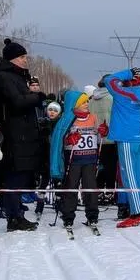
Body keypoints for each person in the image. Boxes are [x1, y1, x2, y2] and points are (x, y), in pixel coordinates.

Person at [0, 39, 43, 231]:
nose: (25, 60)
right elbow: (17, 102)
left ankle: (16, 211)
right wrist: (36, 97)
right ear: (12, 59)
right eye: (22, 57)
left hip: (23, 134)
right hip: (14, 135)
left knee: (20, 176)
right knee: (13, 176)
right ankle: (13, 216)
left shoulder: (18, 77)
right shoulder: (4, 78)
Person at [50, 89, 107, 232]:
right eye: (83, 102)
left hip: (90, 159)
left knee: (90, 189)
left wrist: (103, 131)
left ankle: (92, 216)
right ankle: (68, 217)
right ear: (74, 105)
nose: (87, 104)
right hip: (73, 161)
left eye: (87, 101)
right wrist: (69, 139)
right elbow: (58, 140)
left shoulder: (93, 118)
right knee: (70, 189)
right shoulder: (68, 119)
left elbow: (100, 135)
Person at [107, 66, 140, 228]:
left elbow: (108, 80)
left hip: (126, 138)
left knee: (129, 176)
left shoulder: (122, 95)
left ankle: (137, 214)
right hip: (137, 137)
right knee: (138, 176)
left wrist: (128, 72)